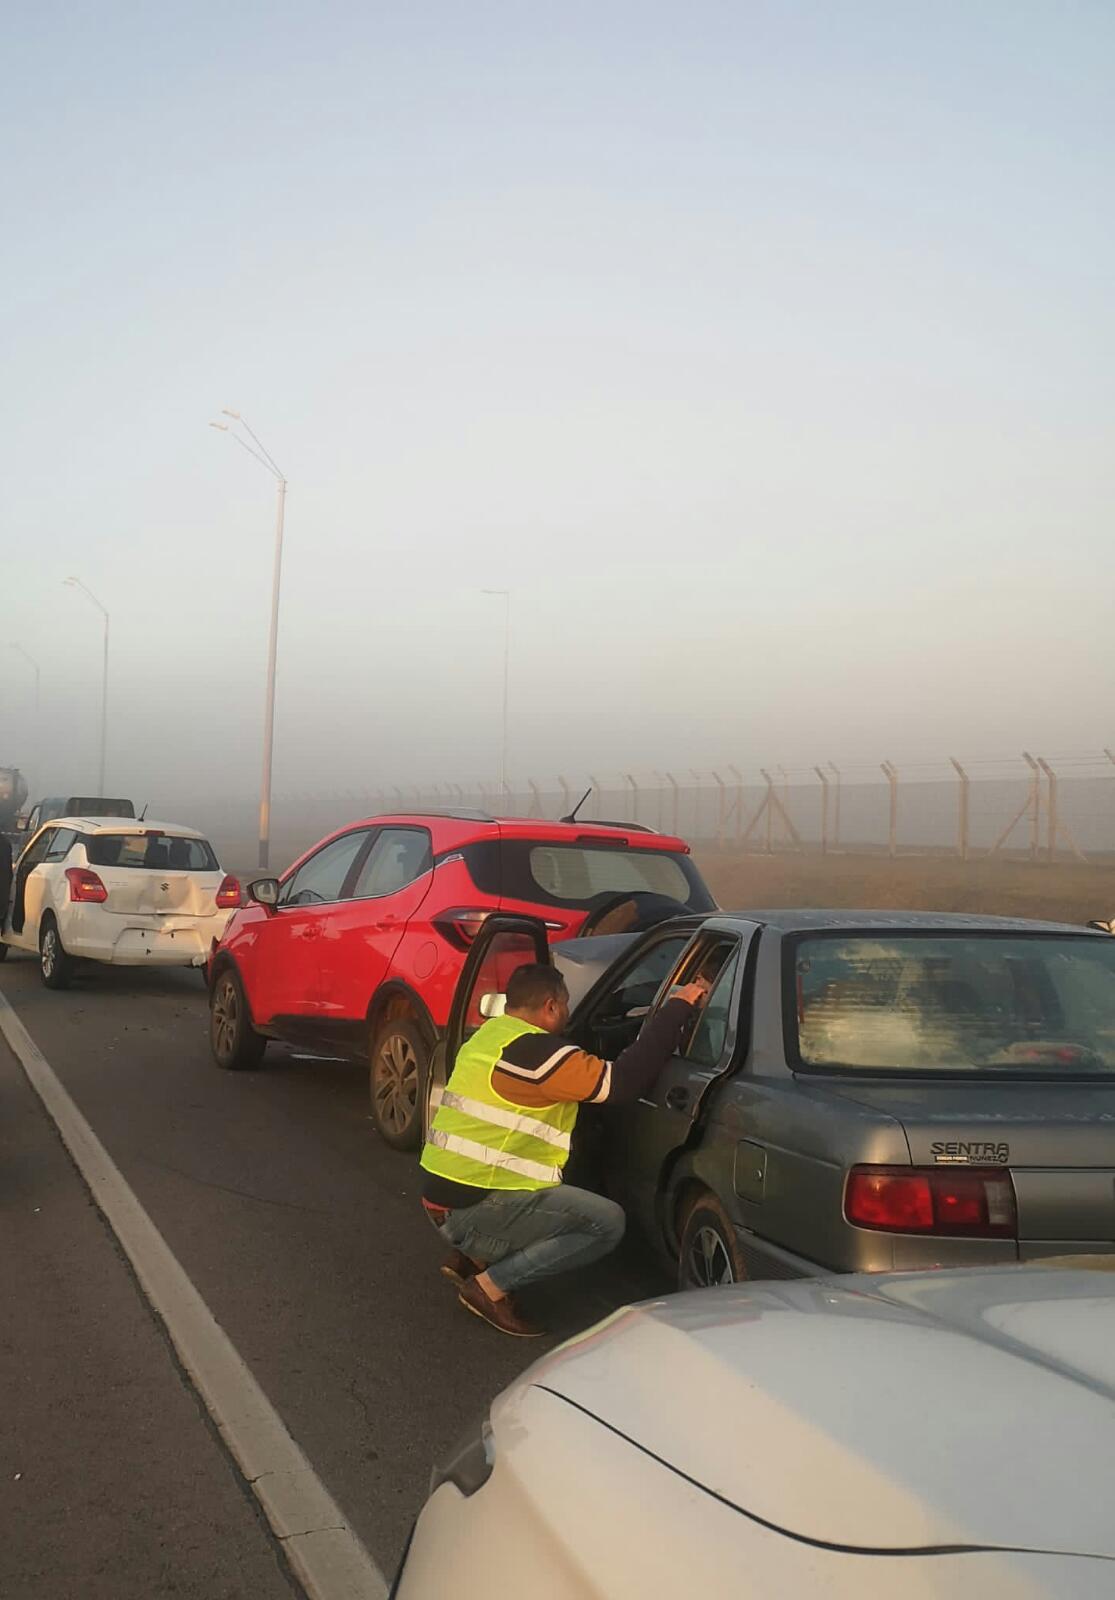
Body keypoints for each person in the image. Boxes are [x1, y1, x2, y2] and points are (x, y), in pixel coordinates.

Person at [420, 962, 708, 1337]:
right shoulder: (540, 1056)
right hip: (473, 1208)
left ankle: (473, 1256)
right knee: (606, 1224)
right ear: (552, 1006)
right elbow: (622, 1083)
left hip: (442, 1197)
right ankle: (489, 1288)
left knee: (558, 1171)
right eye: (567, 1006)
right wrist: (678, 1006)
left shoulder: (490, 1037)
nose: (569, 1014)